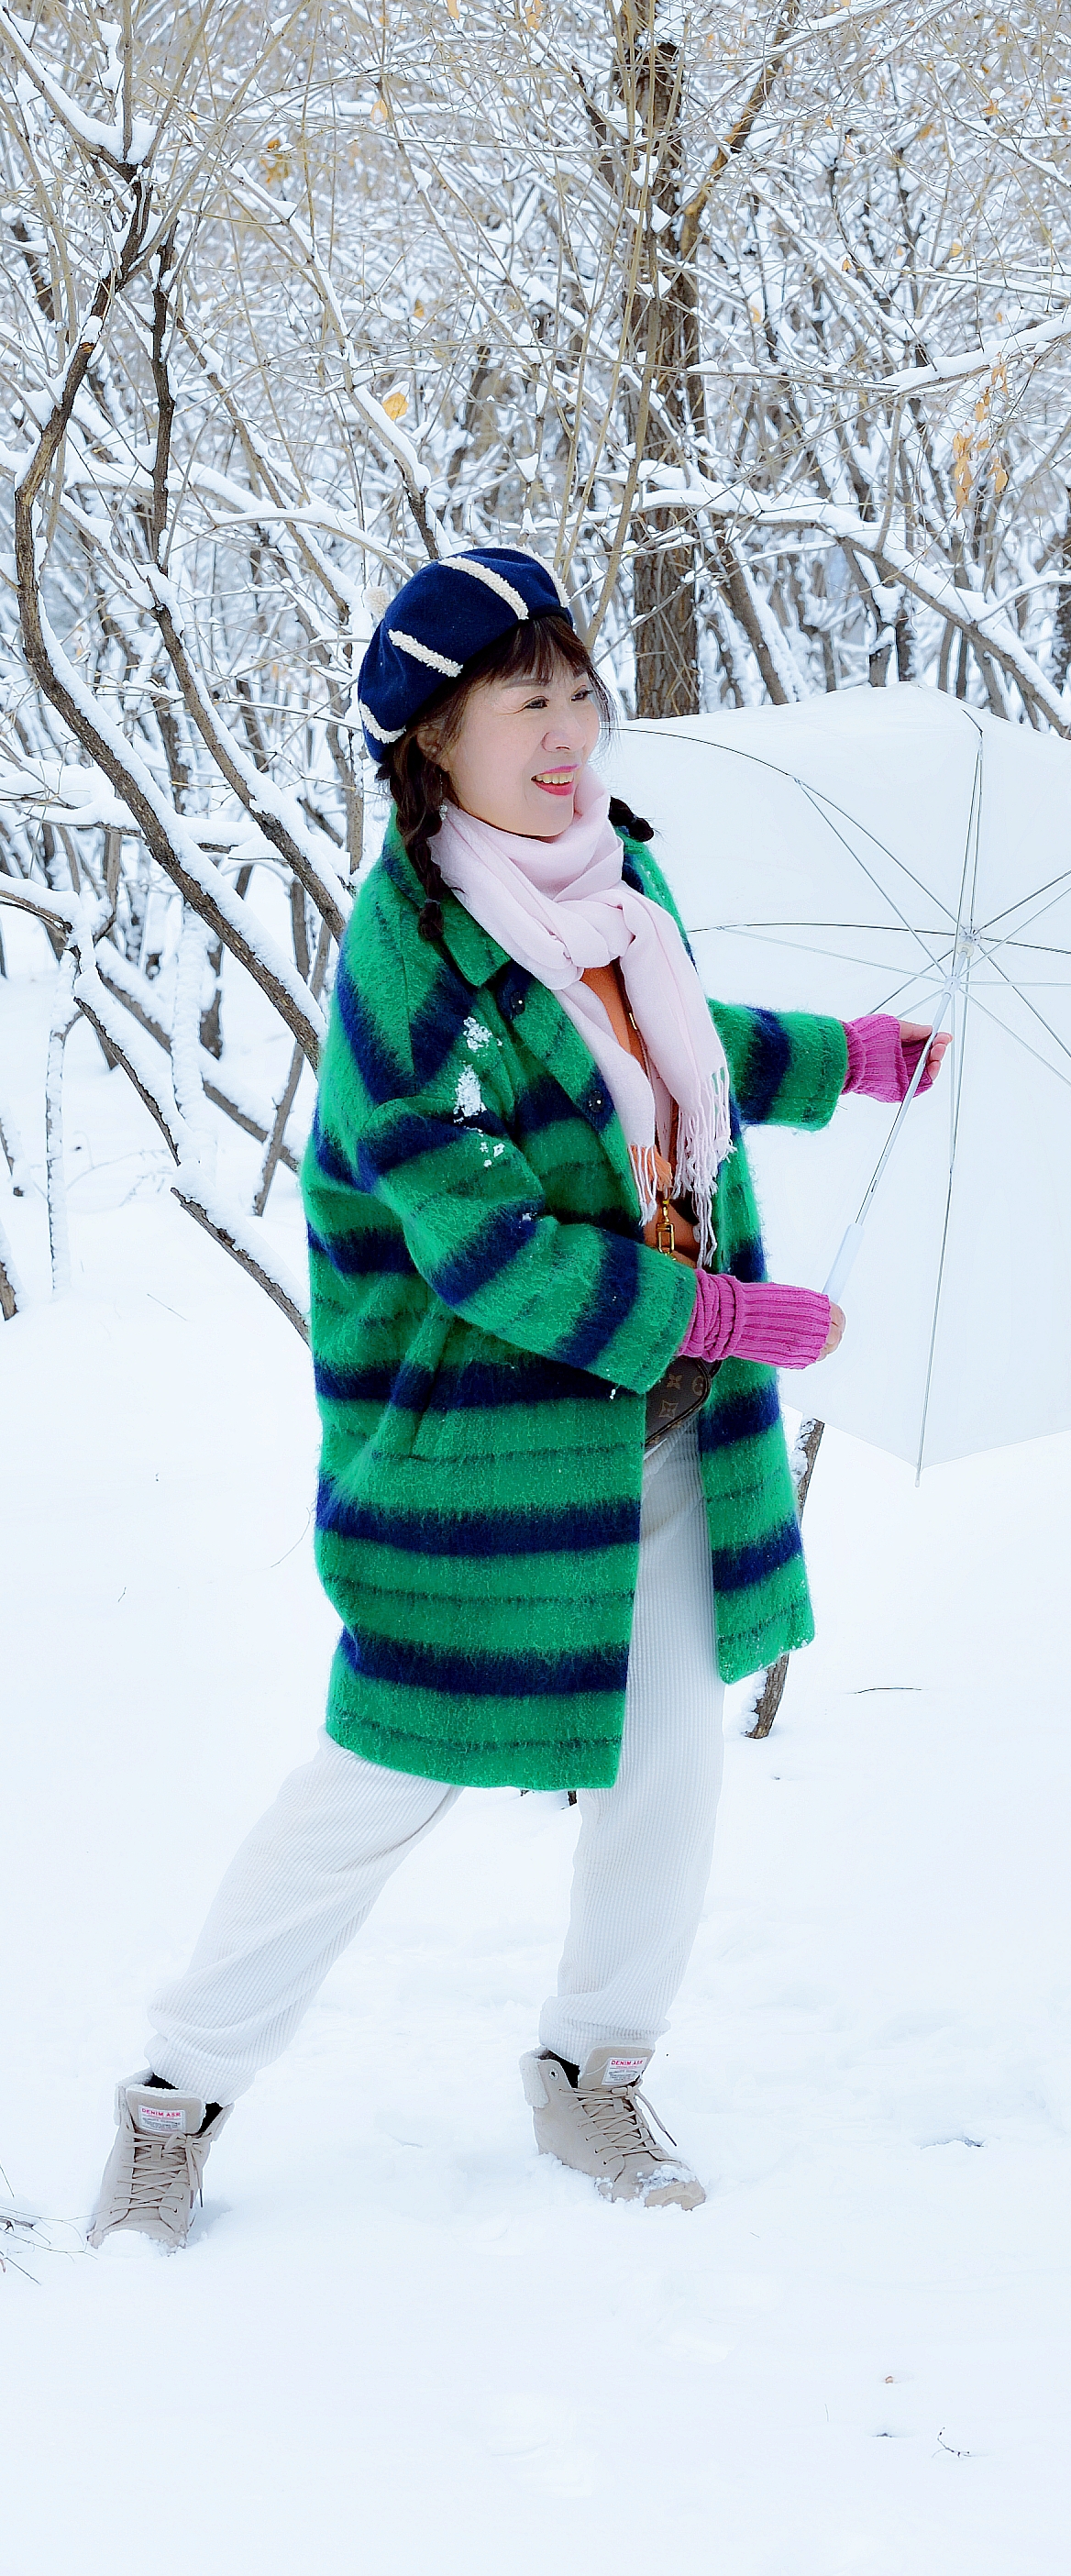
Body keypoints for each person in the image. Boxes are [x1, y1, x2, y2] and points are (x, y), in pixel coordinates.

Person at [90, 547, 946, 2247]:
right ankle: (173, 2096)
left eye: (579, 691)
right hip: (479, 1455)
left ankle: (591, 2067)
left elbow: (657, 1058)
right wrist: (713, 1306)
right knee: (377, 1776)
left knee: (671, 1759)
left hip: (666, 1422)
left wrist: (838, 1059)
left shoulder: (616, 885)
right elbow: (477, 1241)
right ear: (432, 736)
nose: (569, 732)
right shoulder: (409, 957)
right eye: (522, 699)